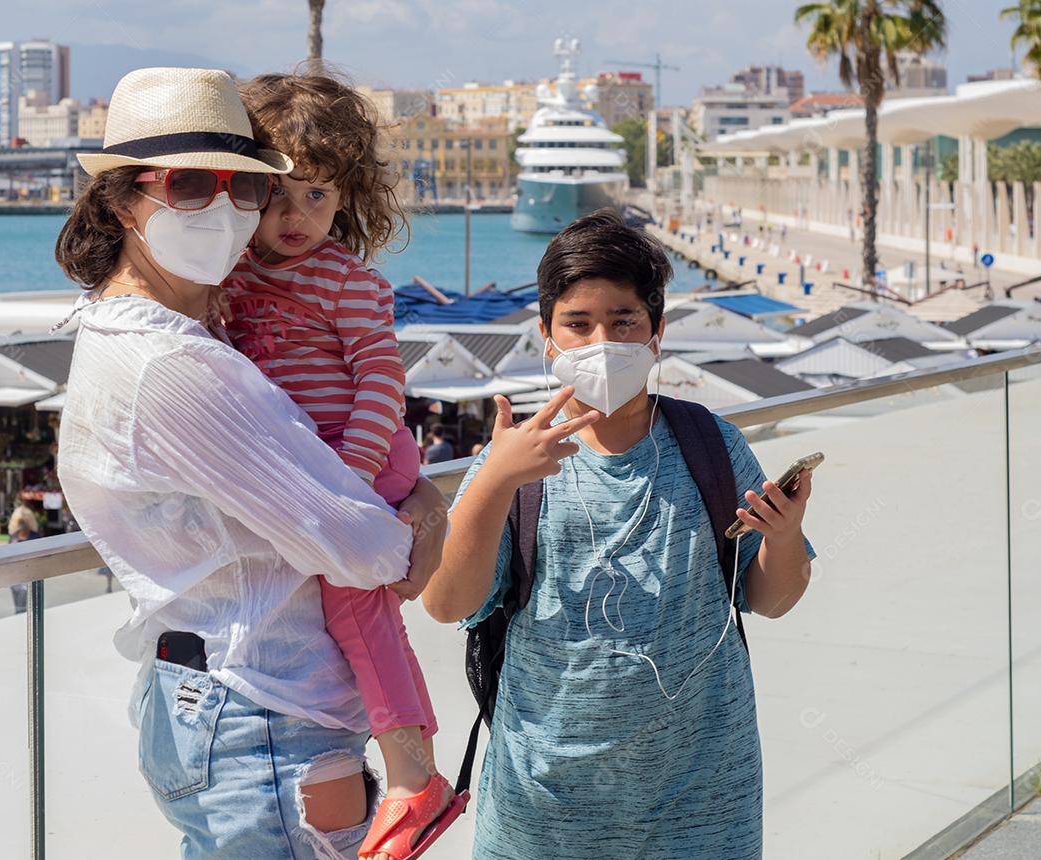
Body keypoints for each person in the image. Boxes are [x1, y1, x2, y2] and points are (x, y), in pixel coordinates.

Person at [52, 67, 447, 860]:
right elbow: (368, 550)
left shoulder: (155, 332)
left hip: (220, 701)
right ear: (124, 200)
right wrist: (426, 514)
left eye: (245, 186)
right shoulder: (172, 364)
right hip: (261, 709)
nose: (227, 208)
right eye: (191, 184)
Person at [423, 210, 817, 860]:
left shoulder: (710, 444)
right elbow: (447, 603)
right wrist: (494, 480)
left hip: (703, 806)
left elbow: (770, 598)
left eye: (624, 322)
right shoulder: (515, 459)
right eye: (578, 324)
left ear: (657, 333)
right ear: (547, 338)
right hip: (539, 811)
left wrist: (785, 534)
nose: (601, 341)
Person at [222, 73, 463, 860]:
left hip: (361, 457)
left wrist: (348, 479)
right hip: (317, 471)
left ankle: (413, 779)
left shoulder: (349, 280)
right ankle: (412, 776)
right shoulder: (233, 281)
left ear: (347, 198)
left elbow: (380, 380)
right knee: (363, 608)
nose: (296, 218)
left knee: (358, 604)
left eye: (317, 197)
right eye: (276, 197)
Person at [7, 494, 42, 613]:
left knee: (25, 607)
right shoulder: (14, 537)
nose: (22, 524)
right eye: (20, 521)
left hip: (28, 576)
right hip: (14, 576)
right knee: (18, 606)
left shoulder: (34, 537)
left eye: (24, 521)